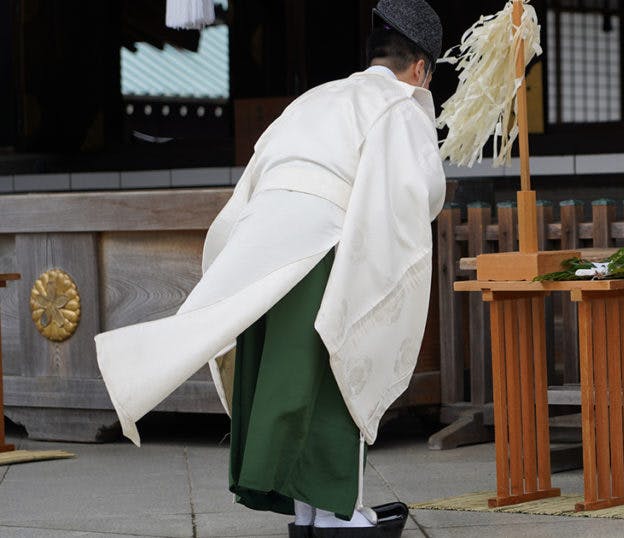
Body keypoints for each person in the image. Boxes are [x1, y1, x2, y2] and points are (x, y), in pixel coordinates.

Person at [94, 1, 445, 537]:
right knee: (331, 367)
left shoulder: (315, 98)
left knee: (286, 376)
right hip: (327, 239)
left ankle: (306, 510)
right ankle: (334, 513)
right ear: (420, 67)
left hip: (265, 234)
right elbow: (410, 189)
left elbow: (259, 171)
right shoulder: (402, 103)